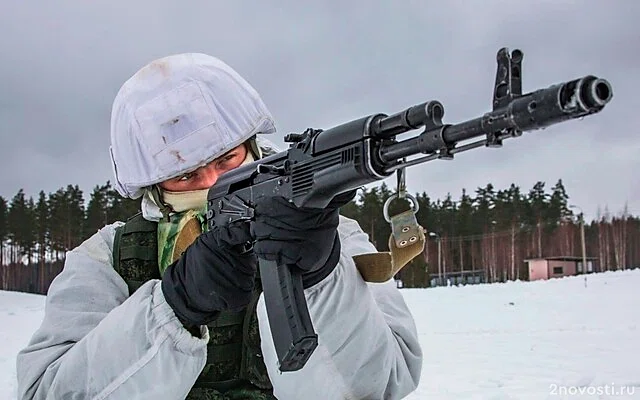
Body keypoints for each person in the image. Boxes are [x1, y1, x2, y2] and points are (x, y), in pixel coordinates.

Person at [16, 53, 423, 400]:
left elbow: (386, 384)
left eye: (227, 160)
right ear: (156, 186)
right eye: (185, 176)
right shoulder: (110, 257)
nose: (211, 184)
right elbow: (44, 391)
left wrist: (320, 279)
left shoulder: (333, 235)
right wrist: (174, 307)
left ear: (252, 148)